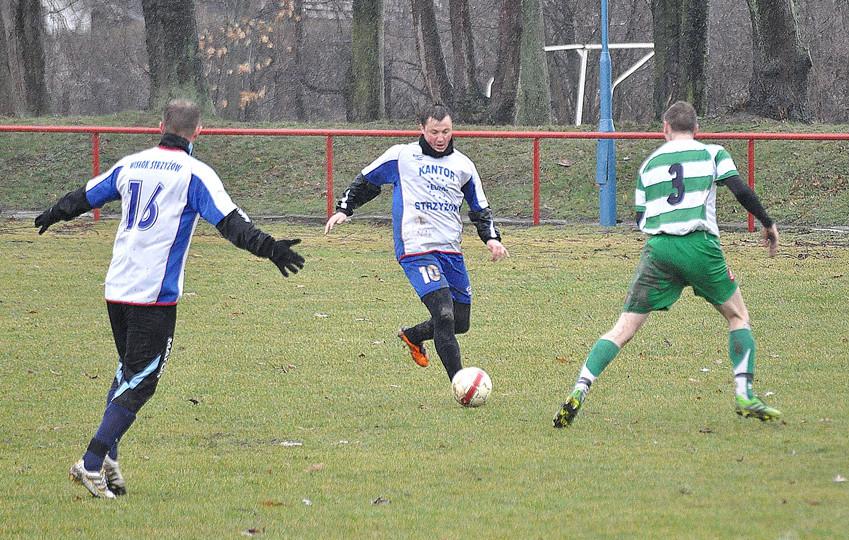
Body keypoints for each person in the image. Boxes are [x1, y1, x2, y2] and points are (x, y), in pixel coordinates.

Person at [34, 98, 305, 499]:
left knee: (128, 372)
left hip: (117, 287)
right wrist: (272, 249)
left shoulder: (132, 163)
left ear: (160, 124)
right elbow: (232, 224)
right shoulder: (195, 173)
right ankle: (91, 463)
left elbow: (86, 195)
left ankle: (108, 457)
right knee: (141, 384)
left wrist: (53, 213)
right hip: (153, 296)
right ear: (200, 132)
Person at [553, 100, 781, 428]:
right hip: (700, 245)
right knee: (738, 315)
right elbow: (740, 190)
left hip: (659, 250)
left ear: (665, 129)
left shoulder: (649, 165)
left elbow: (640, 218)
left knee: (623, 328)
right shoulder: (713, 153)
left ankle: (580, 388)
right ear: (697, 129)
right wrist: (767, 223)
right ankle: (744, 393)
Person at [324, 104, 508, 383]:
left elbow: (480, 207)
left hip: (450, 251)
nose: (440, 137)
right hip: (415, 250)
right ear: (421, 128)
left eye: (446, 131)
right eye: (434, 131)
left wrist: (492, 239)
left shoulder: (463, 165)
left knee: (460, 321)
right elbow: (367, 181)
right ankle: (461, 383)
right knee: (444, 315)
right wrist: (344, 209)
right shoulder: (402, 155)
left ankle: (412, 335)